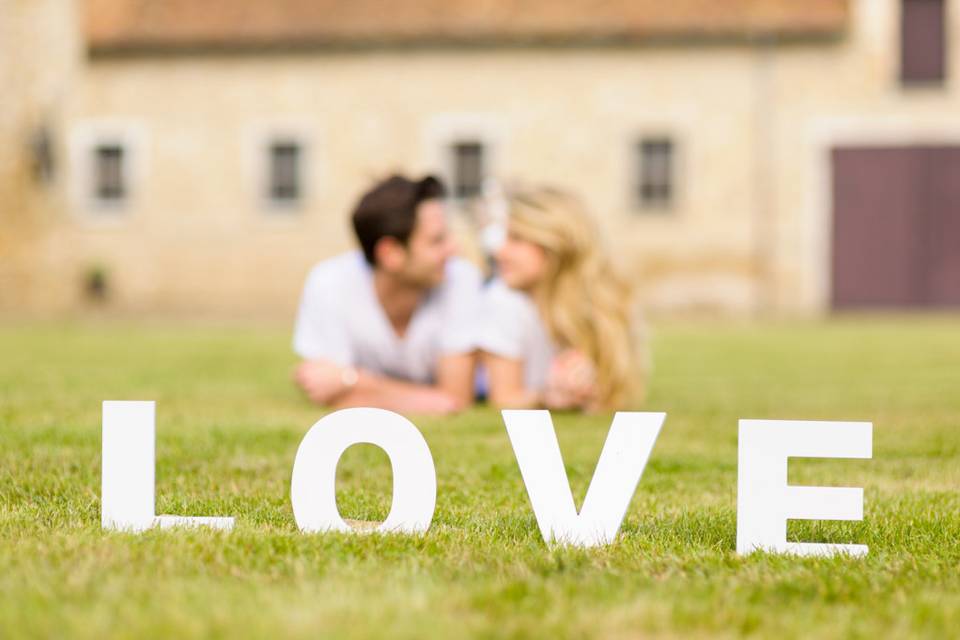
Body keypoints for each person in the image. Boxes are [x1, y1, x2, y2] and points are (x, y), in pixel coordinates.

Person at [293, 175, 481, 415]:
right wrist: (427, 399)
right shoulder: (328, 282)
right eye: (437, 241)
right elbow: (326, 393)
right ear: (390, 254)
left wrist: (355, 381)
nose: (455, 248)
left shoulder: (461, 278)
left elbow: (455, 400)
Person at [479, 186, 647, 412]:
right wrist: (546, 397)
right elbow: (503, 397)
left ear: (554, 246)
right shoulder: (503, 300)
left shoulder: (598, 305)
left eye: (516, 239)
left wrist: (585, 386)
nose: (500, 251)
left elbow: (615, 392)